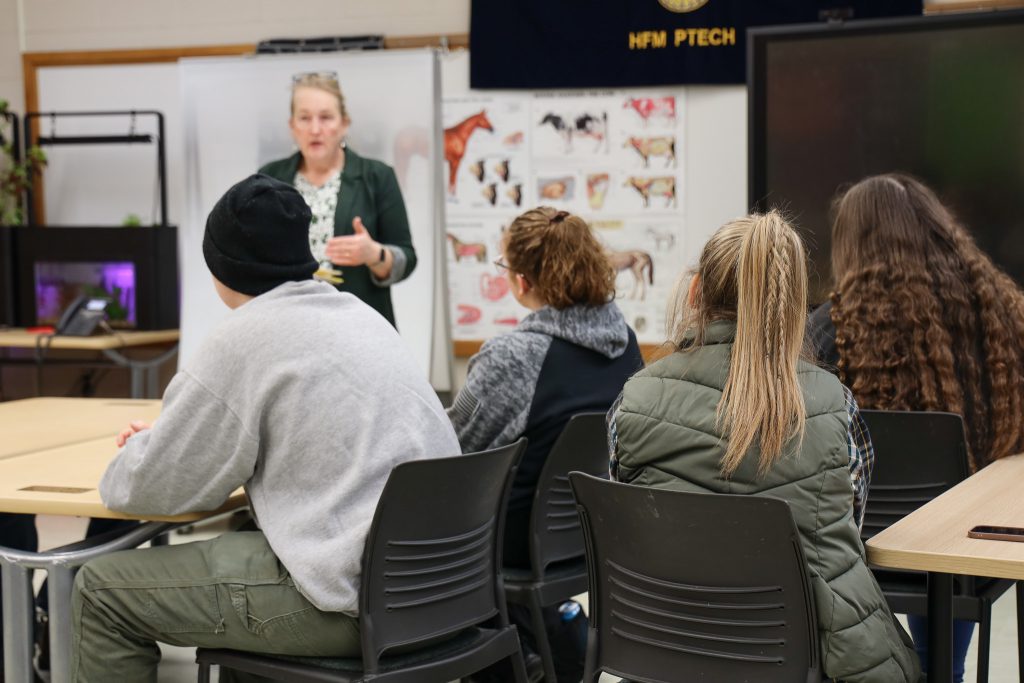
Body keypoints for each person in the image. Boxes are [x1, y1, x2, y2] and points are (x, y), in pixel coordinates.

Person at [69, 174, 459, 681]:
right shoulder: (359, 314)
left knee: (98, 590)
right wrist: (183, 438)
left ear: (219, 264)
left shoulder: (242, 340)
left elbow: (145, 489)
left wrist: (150, 446)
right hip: (443, 585)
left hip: (350, 601)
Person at [609, 211, 921, 683]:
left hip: (664, 644)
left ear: (696, 294)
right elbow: (847, 530)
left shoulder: (632, 401)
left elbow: (629, 524)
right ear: (795, 304)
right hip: (806, 657)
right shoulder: (834, 406)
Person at [807, 173, 1024, 682]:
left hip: (853, 549)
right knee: (940, 656)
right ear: (940, 229)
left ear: (850, 246)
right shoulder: (1001, 314)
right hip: (965, 554)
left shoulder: (826, 331)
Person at [448, 206, 644, 681]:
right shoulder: (627, 345)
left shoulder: (515, 357)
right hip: (591, 532)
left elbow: (451, 448)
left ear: (519, 281)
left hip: (511, 544)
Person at [259, 72, 415, 327]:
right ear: (292, 126)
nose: (315, 129)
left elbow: (407, 259)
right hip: (288, 326)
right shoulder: (269, 178)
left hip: (359, 328)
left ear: (344, 123)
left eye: (326, 117)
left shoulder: (377, 176)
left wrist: (374, 254)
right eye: (305, 118)